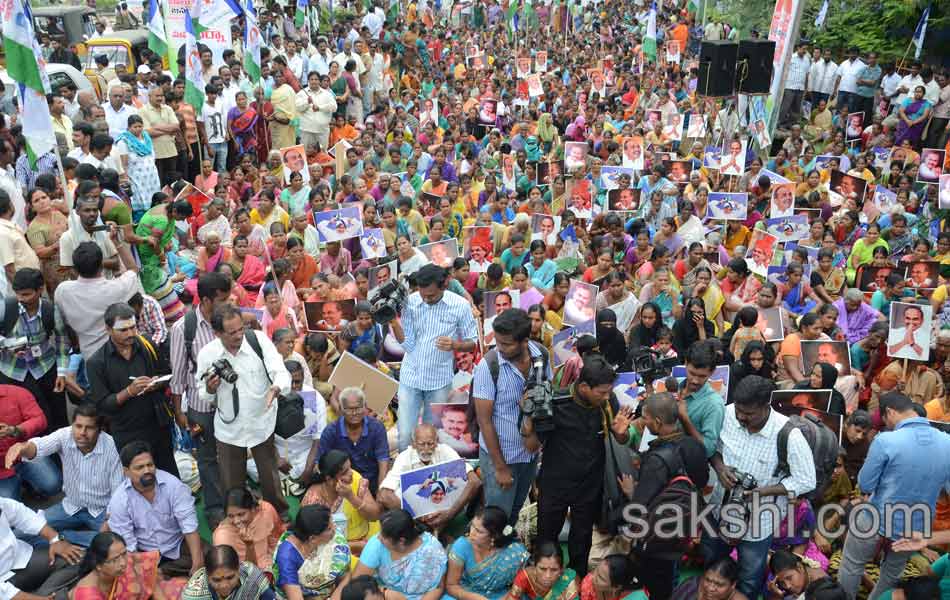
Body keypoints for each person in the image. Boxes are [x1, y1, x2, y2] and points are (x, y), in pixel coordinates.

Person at [703, 375, 816, 598]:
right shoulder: (726, 414)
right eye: (739, 411)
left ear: (766, 406)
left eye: (749, 414)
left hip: (759, 522)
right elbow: (711, 448)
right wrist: (719, 468)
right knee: (711, 564)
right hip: (718, 511)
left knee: (749, 576)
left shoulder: (788, 434)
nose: (742, 417)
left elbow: (806, 479)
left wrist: (764, 491)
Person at [521, 354, 633, 578]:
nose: (607, 396)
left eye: (608, 391)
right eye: (601, 392)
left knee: (581, 539)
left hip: (590, 484)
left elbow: (620, 437)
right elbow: (531, 446)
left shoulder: (607, 403)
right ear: (583, 387)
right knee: (547, 535)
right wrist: (528, 419)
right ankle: (544, 577)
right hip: (555, 483)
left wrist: (622, 435)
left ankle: (577, 579)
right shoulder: (555, 402)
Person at [837, 392, 950, 598]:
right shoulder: (947, 442)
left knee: (852, 565)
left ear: (889, 412)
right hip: (915, 527)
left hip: (875, 518)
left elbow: (866, 484)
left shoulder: (886, 440)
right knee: (891, 574)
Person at [197, 304, 291, 519]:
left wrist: (276, 388)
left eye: (241, 329)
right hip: (229, 429)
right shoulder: (207, 354)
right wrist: (211, 388)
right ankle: (238, 520)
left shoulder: (258, 340)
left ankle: (280, 517)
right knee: (231, 482)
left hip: (262, 422)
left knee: (269, 476)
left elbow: (280, 371)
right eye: (232, 333)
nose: (239, 335)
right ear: (217, 333)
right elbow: (203, 392)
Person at [621, 393, 708, 599]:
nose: (643, 422)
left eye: (645, 417)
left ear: (657, 422)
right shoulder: (694, 445)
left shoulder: (657, 458)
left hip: (658, 533)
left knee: (657, 584)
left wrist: (632, 493)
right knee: (672, 578)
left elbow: (641, 504)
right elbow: (701, 482)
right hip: (683, 528)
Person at [3, 403, 122, 546]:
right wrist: (22, 448)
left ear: (99, 429)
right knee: (19, 536)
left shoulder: (111, 446)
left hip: (101, 512)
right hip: (70, 506)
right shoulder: (64, 435)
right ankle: (73, 540)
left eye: (89, 428)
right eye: (78, 426)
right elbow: (39, 447)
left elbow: (118, 492)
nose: (82, 432)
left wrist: (109, 521)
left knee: (118, 542)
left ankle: (66, 537)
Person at [473, 309, 548, 526]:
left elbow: (546, 396)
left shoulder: (541, 356)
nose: (500, 348)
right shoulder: (488, 367)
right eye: (498, 342)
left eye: (506, 344)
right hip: (501, 457)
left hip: (529, 454)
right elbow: (484, 421)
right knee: (497, 518)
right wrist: (500, 467)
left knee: (514, 514)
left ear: (524, 341)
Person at [87, 302, 178, 476]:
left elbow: (165, 373)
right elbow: (102, 404)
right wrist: (129, 392)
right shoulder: (96, 363)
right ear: (108, 329)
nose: (130, 334)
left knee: (169, 475)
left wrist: (156, 383)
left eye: (133, 327)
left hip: (157, 425)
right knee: (141, 480)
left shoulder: (147, 344)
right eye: (123, 330)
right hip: (128, 432)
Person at [393, 264, 478, 451]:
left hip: (439, 381)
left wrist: (455, 345)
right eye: (423, 295)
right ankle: (405, 472)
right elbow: (407, 344)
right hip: (410, 376)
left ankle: (430, 475)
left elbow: (473, 341)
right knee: (406, 434)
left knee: (433, 435)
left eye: (431, 296)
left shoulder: (460, 305)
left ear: (444, 286)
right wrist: (393, 323)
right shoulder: (411, 302)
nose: (426, 299)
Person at [106, 441, 203, 577]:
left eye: (150, 465)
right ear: (126, 472)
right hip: (145, 553)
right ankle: (163, 573)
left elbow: (189, 526)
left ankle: (163, 573)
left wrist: (198, 563)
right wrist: (141, 569)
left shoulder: (173, 485)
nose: (147, 471)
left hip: (177, 545)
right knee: (127, 572)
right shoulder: (119, 500)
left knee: (210, 556)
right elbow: (128, 546)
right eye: (139, 467)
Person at [0, 268, 70, 433]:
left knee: (56, 417)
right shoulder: (6, 308)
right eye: (18, 294)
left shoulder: (50, 310)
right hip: (12, 373)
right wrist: (7, 345)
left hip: (45, 369)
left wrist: (61, 372)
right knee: (20, 420)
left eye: (26, 294)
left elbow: (62, 340)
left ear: (40, 290)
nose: (21, 299)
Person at [378, 424, 480, 531]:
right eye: (422, 444)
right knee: (397, 493)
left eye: (430, 444)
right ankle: (426, 529)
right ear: (413, 444)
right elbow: (384, 494)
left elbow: (474, 481)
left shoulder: (445, 450)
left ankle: (440, 530)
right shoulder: (404, 457)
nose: (426, 449)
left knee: (463, 484)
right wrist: (416, 517)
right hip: (416, 513)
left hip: (445, 507)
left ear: (437, 442)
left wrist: (449, 514)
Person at [351, 509, 447, 600]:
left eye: (383, 536)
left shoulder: (432, 550)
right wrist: (384, 592)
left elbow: (438, 587)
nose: (379, 537)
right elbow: (357, 584)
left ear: (401, 541)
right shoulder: (377, 544)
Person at [300, 449, 382, 554]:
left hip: (366, 536)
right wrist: (355, 546)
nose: (351, 473)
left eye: (350, 467)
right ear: (329, 479)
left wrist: (351, 497)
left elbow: (375, 515)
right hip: (336, 551)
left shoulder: (354, 479)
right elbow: (315, 544)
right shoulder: (313, 501)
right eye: (344, 472)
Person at [444, 505, 529, 600]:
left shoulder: (513, 552)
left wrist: (507, 597)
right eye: (472, 526)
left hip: (499, 595)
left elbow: (519, 583)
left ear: (494, 535)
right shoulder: (462, 545)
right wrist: (474, 597)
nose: (472, 533)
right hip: (466, 593)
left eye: (479, 531)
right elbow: (451, 585)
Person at [317, 387, 390, 493]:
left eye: (358, 408)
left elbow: (383, 461)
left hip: (372, 482)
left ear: (365, 407)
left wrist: (380, 490)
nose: (355, 413)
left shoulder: (376, 427)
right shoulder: (331, 431)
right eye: (349, 409)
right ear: (341, 409)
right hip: (343, 484)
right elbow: (319, 465)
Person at [272, 504, 351, 599]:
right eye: (329, 529)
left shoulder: (332, 540)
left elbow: (346, 576)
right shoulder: (287, 557)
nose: (335, 528)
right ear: (313, 538)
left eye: (332, 523)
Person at [212, 487, 284, 572]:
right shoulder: (222, 537)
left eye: (241, 514)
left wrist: (278, 562)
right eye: (231, 516)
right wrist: (249, 546)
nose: (236, 521)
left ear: (253, 509)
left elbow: (277, 539)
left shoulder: (266, 510)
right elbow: (242, 573)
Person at [181, 545, 274, 600]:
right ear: (207, 576)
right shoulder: (194, 594)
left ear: (239, 569)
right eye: (216, 580)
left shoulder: (251, 574)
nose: (224, 585)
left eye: (230, 577)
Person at [508, 541, 579, 600]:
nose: (548, 576)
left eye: (554, 570)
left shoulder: (568, 581)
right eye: (542, 569)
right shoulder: (525, 577)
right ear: (534, 566)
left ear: (561, 569)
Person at [670, 556, 747, 600]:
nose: (710, 588)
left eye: (719, 584)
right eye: (707, 580)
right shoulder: (692, 585)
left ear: (733, 585)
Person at [578, 554, 648, 600]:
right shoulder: (588, 583)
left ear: (617, 587)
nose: (594, 576)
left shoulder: (636, 597)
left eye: (601, 578)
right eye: (596, 569)